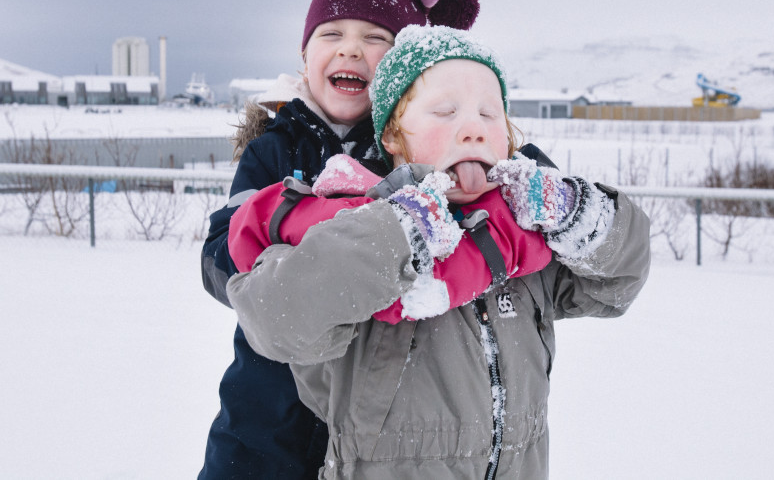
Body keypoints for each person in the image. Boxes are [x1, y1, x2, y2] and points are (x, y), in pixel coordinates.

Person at [227, 25, 651, 479]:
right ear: (391, 136)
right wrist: (399, 233)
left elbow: (618, 283)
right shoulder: (346, 223)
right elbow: (277, 320)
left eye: (491, 115)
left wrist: (575, 212)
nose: (473, 130)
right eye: (445, 112)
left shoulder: (526, 243)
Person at [198, 0, 480, 479]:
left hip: (384, 427)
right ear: (305, 57)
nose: (351, 49)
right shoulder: (274, 150)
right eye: (331, 35)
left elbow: (501, 167)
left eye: (376, 39)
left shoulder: (419, 148)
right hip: (264, 421)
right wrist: (292, 253)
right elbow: (218, 253)